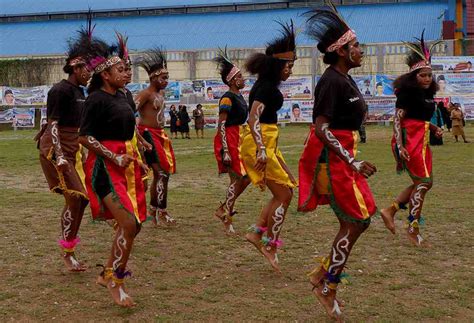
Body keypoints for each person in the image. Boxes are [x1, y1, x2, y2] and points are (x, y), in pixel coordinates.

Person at [298, 5, 377, 321]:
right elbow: (321, 128)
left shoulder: (344, 78)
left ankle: (322, 276)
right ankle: (326, 285)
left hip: (346, 159)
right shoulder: (331, 81)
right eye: (355, 46)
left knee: (360, 220)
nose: (360, 50)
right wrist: (351, 160)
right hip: (335, 162)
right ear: (341, 51)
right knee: (355, 221)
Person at [79, 34, 147, 307]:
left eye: (127, 68)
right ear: (105, 74)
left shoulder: (125, 95)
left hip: (126, 164)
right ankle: (114, 279)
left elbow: (127, 133)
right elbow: (85, 137)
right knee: (128, 224)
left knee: (134, 226)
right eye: (120, 69)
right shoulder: (96, 100)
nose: (126, 72)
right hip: (103, 169)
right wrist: (112, 156)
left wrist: (136, 156)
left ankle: (109, 273)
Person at [241, 21, 298, 272]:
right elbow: (253, 118)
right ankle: (270, 244)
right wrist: (262, 150)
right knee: (284, 195)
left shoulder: (269, 86)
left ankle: (257, 233)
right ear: (277, 65)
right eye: (288, 66)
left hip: (266, 142)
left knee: (283, 192)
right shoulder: (265, 87)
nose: (290, 71)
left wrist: (280, 160)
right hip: (258, 143)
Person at [380, 31, 443, 248]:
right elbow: (397, 120)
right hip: (408, 142)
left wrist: (434, 128)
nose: (426, 79)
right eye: (422, 75)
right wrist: (400, 147)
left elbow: (420, 118)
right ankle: (413, 227)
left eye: (429, 75)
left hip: (422, 140)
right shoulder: (406, 93)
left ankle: (391, 210)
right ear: (413, 76)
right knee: (423, 183)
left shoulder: (427, 93)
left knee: (425, 182)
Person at [37, 24, 92, 272]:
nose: (89, 73)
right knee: (74, 199)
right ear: (74, 67)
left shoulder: (80, 91)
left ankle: (70, 247)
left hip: (73, 149)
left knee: (82, 201)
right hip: (55, 149)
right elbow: (54, 125)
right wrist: (59, 155)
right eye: (86, 68)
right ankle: (68, 253)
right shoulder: (59, 90)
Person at [136, 48, 177, 226]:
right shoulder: (145, 94)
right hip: (148, 135)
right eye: (163, 78)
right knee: (161, 173)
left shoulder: (160, 94)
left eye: (167, 78)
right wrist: (138, 138)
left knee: (163, 174)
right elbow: (129, 111)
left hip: (160, 136)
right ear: (153, 78)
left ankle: (155, 210)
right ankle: (160, 211)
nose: (166, 82)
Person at [213, 48, 251, 234]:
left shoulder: (239, 96)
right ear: (233, 80)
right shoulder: (227, 98)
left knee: (246, 177)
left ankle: (224, 209)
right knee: (237, 178)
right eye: (240, 76)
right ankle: (226, 215)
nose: (244, 79)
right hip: (229, 138)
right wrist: (225, 150)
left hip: (240, 137)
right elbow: (221, 124)